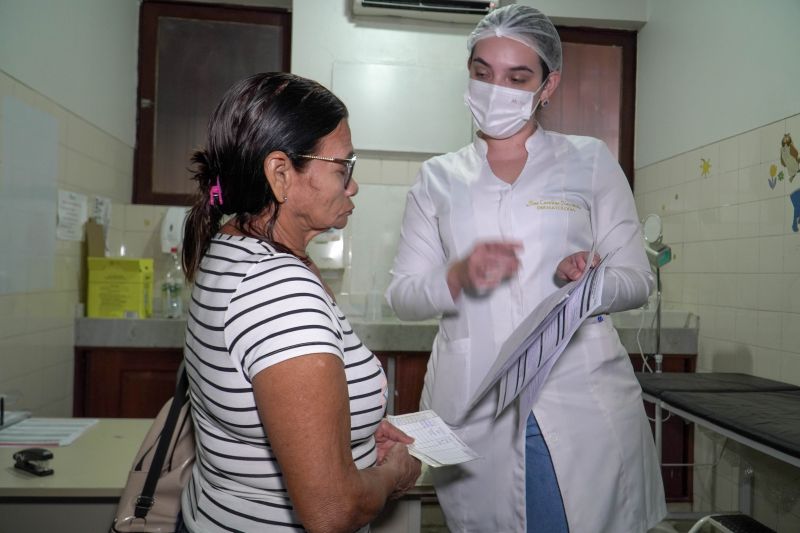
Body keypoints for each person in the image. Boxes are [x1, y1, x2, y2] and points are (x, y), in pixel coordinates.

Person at [386, 5, 667, 532]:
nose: (498, 90)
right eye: (483, 72)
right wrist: (455, 278)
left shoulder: (589, 161)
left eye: (518, 77)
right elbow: (402, 295)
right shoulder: (437, 179)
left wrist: (590, 279)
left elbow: (636, 280)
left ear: (548, 84)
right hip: (475, 402)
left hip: (576, 394)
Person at [179, 72, 421, 533]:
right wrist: (394, 474)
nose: (353, 186)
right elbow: (333, 511)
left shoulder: (228, 247)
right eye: (342, 167)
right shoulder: (280, 290)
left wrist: (356, 437)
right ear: (281, 174)